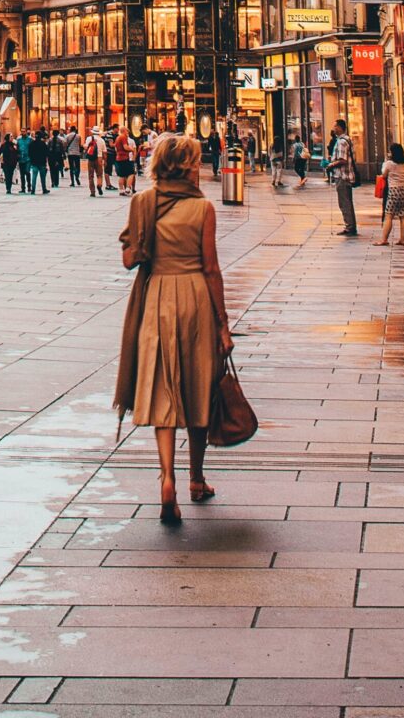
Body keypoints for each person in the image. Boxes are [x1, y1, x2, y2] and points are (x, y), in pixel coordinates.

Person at [114, 133, 234, 529]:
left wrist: (144, 242)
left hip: (157, 299)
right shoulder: (203, 208)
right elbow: (212, 268)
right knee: (199, 385)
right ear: (187, 166)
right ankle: (196, 478)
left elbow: (129, 259)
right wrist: (223, 323)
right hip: (196, 297)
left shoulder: (142, 203)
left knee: (163, 387)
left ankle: (167, 479)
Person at [328, 119, 358, 236]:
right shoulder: (347, 139)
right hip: (346, 175)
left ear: (340, 127)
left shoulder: (341, 142)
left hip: (342, 175)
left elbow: (342, 159)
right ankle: (351, 225)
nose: (333, 128)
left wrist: (331, 165)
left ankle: (349, 227)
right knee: (347, 202)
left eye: (335, 126)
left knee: (344, 202)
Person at [379, 142, 404, 247]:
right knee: (402, 216)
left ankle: (384, 239)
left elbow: (383, 175)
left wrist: (385, 162)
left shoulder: (389, 164)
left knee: (389, 215)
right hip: (403, 191)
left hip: (393, 191)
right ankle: (402, 239)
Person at [114, 125, 137, 197]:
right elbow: (125, 147)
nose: (128, 133)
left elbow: (116, 149)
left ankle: (121, 190)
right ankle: (127, 188)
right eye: (127, 131)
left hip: (118, 158)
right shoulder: (123, 137)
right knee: (131, 173)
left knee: (121, 175)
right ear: (124, 131)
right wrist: (132, 150)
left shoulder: (117, 138)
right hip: (124, 157)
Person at [86, 127, 107, 197]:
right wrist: (105, 161)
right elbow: (104, 152)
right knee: (99, 174)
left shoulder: (89, 138)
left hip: (91, 158)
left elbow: (86, 147)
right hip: (99, 158)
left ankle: (92, 192)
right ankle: (99, 185)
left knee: (90, 175)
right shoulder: (101, 140)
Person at [28, 127, 49, 194]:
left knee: (34, 177)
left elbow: (30, 153)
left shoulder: (32, 144)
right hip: (42, 162)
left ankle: (33, 190)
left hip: (34, 162)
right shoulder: (43, 144)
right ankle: (44, 189)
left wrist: (31, 160)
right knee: (43, 177)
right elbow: (46, 153)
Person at [17, 128, 32, 194]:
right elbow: (17, 148)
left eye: (24, 131)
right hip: (21, 159)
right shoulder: (19, 140)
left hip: (28, 159)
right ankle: (23, 188)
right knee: (22, 174)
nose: (23, 133)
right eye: (22, 131)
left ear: (26, 132)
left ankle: (29, 186)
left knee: (27, 172)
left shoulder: (30, 140)